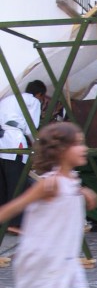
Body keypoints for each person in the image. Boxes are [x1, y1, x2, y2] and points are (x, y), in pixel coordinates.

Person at [0, 122, 97, 288]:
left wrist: (86, 196)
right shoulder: (48, 184)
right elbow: (13, 208)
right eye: (77, 144)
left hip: (64, 257)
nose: (83, 148)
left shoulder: (72, 182)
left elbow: (82, 206)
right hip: (42, 256)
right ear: (60, 150)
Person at [0, 80, 47, 232]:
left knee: (3, 183)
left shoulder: (8, 98)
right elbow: (31, 127)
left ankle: (3, 219)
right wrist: (37, 145)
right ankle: (15, 222)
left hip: (2, 140)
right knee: (16, 182)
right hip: (15, 140)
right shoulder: (33, 101)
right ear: (39, 94)